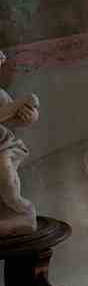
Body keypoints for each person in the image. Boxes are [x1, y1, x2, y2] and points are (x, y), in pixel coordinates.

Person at [0, 50, 38, 237]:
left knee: (5, 176)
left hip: (2, 146)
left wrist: (29, 116)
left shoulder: (0, 95)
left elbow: (13, 118)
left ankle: (22, 209)